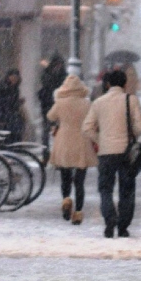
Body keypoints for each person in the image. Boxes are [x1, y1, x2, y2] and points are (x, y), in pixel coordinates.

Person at [82, 68, 141, 238]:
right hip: (126, 152)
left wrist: (100, 139)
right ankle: (123, 226)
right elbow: (139, 127)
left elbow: (86, 128)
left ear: (108, 84)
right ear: (125, 84)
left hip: (106, 152)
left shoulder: (99, 102)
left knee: (105, 189)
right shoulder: (131, 101)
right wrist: (131, 135)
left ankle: (110, 219)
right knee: (127, 189)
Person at [46, 74, 98, 225]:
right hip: (82, 141)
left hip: (64, 141)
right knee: (80, 181)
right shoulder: (86, 104)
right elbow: (93, 121)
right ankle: (78, 213)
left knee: (65, 177)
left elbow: (50, 116)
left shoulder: (60, 102)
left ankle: (66, 200)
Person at [37, 55, 68, 157]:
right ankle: (46, 152)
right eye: (56, 64)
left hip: (59, 107)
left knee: (59, 131)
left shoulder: (63, 75)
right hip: (48, 106)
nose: (58, 66)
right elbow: (46, 84)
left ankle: (57, 152)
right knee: (46, 131)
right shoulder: (47, 73)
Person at [0, 69, 25, 144]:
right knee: (5, 140)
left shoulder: (15, 88)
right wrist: (1, 118)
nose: (14, 79)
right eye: (13, 77)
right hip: (6, 118)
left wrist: (18, 102)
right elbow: (0, 103)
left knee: (15, 139)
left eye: (16, 77)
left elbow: (12, 103)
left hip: (13, 118)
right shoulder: (3, 87)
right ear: (8, 77)